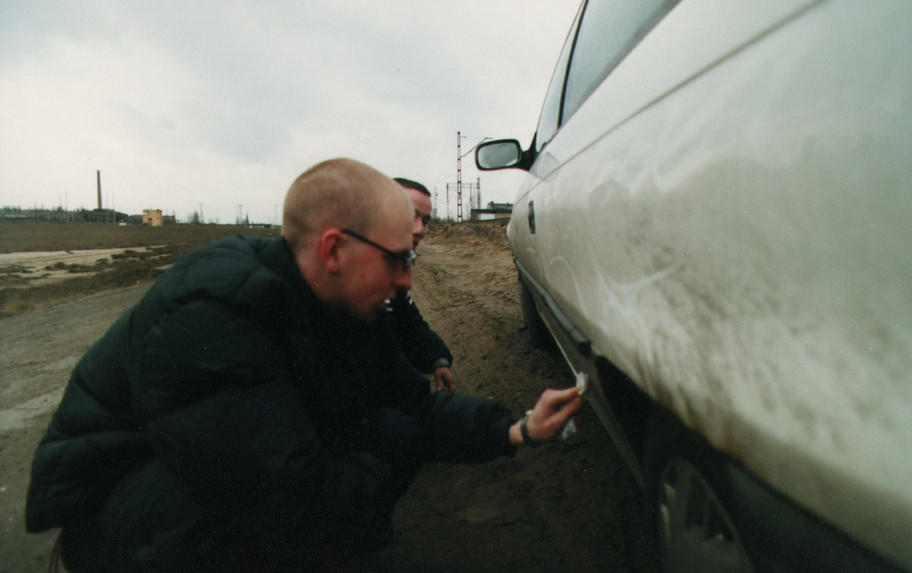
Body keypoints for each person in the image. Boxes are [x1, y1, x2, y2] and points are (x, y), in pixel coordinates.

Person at [25, 158, 582, 572]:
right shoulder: (215, 313)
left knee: (390, 428)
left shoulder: (346, 305)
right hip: (121, 512)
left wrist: (516, 428)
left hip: (219, 479)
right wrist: (375, 467)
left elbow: (409, 401)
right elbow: (284, 497)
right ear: (334, 249)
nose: (408, 279)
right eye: (397, 259)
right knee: (276, 505)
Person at [388, 177, 455, 392]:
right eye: (410, 216)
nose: (421, 231)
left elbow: (408, 319)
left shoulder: (392, 266)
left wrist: (437, 358)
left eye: (425, 221)